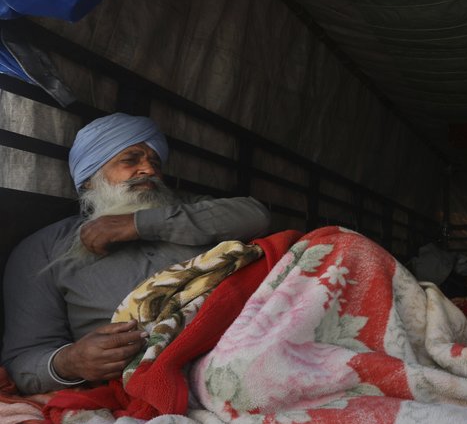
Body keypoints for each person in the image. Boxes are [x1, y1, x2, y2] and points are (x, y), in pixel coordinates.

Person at [2, 113, 272, 393]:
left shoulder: (184, 210)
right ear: (89, 179)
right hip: (153, 374)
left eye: (155, 161)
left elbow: (256, 216)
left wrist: (138, 224)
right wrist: (70, 362)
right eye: (131, 159)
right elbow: (21, 361)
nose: (149, 170)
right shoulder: (45, 248)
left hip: (247, 340)